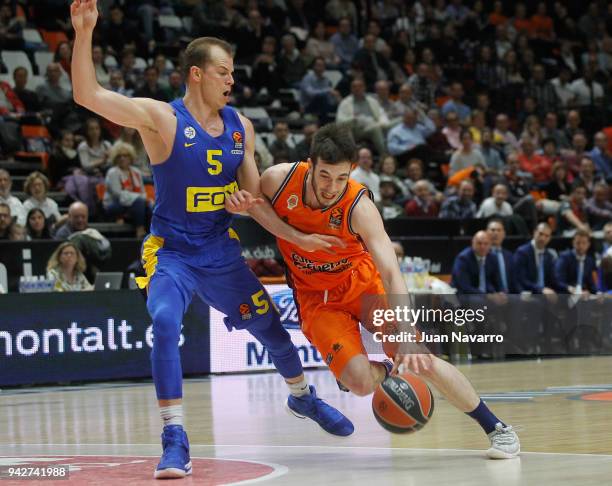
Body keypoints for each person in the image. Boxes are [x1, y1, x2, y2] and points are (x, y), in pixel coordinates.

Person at [70, 1, 352, 479]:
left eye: (233, 73)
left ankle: (303, 398)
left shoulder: (241, 127)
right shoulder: (162, 119)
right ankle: (174, 436)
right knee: (163, 321)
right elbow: (87, 94)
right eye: (224, 72)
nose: (232, 81)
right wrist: (84, 31)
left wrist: (296, 237)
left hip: (220, 252)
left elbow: (256, 197)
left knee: (273, 332)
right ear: (197, 74)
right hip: (173, 252)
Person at [228, 123, 520, 459]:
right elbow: (254, 205)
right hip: (317, 299)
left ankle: (497, 429)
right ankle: (376, 371)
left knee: (420, 359)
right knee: (360, 382)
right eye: (324, 176)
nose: (331, 187)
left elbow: (392, 273)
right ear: (310, 164)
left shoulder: (358, 205)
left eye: (341, 178)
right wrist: (290, 234)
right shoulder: (279, 180)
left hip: (363, 285)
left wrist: (408, 334)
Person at [103, 142, 151, 239]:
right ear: (115, 158)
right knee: (139, 202)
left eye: (125, 156)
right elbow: (118, 194)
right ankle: (139, 229)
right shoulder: (112, 172)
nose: (122, 158)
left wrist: (144, 199)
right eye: (119, 156)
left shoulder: (136, 172)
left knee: (149, 207)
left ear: (131, 158)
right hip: (114, 204)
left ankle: (153, 234)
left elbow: (142, 191)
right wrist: (138, 198)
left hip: (133, 204)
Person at [514, 223, 557, 294]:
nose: (543, 238)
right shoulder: (522, 252)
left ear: (550, 238)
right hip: (528, 291)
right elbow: (521, 279)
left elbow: (553, 280)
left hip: (545, 293)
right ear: (534, 233)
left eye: (546, 236)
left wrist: (568, 287)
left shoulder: (549, 255)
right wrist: (541, 289)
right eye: (540, 234)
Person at [554, 229, 596, 294]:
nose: (581, 246)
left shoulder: (589, 261)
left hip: (583, 295)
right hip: (567, 292)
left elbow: (591, 283)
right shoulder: (564, 257)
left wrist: (596, 292)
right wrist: (569, 288)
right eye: (578, 243)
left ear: (588, 244)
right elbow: (558, 281)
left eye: (584, 243)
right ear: (573, 243)